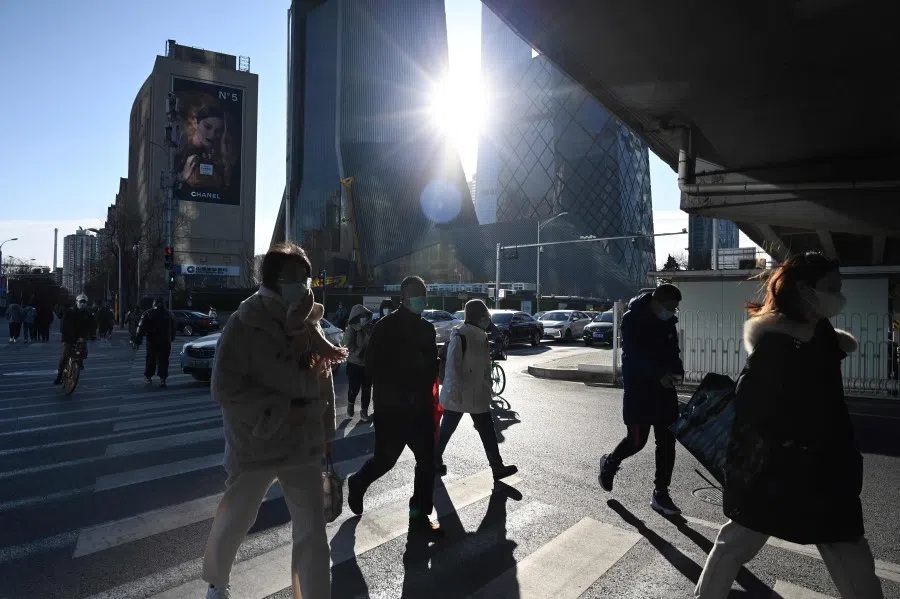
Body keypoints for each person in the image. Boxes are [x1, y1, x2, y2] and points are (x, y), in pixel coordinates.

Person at [695, 252, 884, 598]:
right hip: (780, 473)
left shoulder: (821, 336)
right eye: (832, 287)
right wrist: (791, 443)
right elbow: (750, 410)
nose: (839, 295)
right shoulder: (776, 347)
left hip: (827, 475)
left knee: (854, 566)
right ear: (805, 290)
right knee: (736, 543)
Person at [201, 243, 347, 599]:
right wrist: (280, 411)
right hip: (257, 441)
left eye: (304, 276)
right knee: (237, 518)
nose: (302, 284)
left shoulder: (310, 322)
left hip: (303, 442)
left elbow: (321, 382)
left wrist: (325, 432)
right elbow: (224, 388)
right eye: (292, 277)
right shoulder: (244, 322)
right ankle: (217, 583)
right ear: (271, 280)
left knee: (312, 529)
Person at [347, 276, 442, 534]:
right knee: (385, 460)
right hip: (392, 410)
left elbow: (431, 367)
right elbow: (374, 367)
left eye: (424, 293)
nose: (422, 299)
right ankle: (357, 482)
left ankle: (420, 513)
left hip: (420, 408)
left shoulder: (427, 329)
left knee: (426, 462)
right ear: (404, 297)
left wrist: (434, 366)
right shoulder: (385, 327)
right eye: (417, 294)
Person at [597, 284, 685, 516]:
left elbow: (673, 351)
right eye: (671, 307)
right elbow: (633, 356)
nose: (673, 312)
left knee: (667, 442)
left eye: (676, 309)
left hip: (665, 390)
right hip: (640, 390)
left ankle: (661, 493)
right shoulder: (632, 320)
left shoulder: (668, 322)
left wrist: (677, 372)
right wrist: (658, 374)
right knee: (637, 440)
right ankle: (610, 463)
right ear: (657, 302)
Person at [436, 299, 518, 480]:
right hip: (459, 395)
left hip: (477, 394)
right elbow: (452, 367)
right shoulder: (460, 335)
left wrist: (488, 388)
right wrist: (455, 392)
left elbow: (484, 367)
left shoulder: (481, 335)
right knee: (445, 433)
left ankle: (497, 467)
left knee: (487, 432)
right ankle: (433, 461)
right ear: (476, 317)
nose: (486, 320)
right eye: (484, 316)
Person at [136, 298, 177, 388]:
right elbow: (173, 328)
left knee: (151, 359)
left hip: (152, 340)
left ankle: (149, 376)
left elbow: (141, 327)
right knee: (163, 360)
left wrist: (138, 339)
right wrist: (172, 337)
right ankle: (162, 379)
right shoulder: (169, 314)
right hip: (164, 340)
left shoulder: (148, 313)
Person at [343, 304, 374, 420]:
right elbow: (347, 345)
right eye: (361, 316)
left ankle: (364, 412)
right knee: (354, 388)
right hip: (354, 364)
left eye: (365, 316)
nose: (364, 318)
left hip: (368, 364)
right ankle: (350, 404)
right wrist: (359, 351)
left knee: (367, 388)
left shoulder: (370, 327)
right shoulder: (351, 329)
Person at [54, 295, 94, 385]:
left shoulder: (88, 313)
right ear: (76, 302)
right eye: (81, 302)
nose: (82, 304)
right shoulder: (69, 312)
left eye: (84, 302)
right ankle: (59, 375)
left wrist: (92, 335)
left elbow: (92, 325)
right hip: (69, 337)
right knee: (64, 356)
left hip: (81, 337)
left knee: (83, 350)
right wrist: (68, 335)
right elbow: (63, 326)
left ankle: (79, 362)